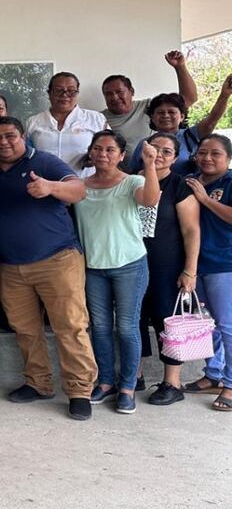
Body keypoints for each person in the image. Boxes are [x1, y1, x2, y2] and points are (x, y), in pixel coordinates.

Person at [0, 116, 97, 421]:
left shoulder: (45, 163)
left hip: (57, 260)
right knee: (25, 330)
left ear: (24, 137)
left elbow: (78, 190)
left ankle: (79, 390)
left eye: (11, 136)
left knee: (70, 326)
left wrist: (50, 187)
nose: (4, 142)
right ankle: (38, 383)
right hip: (10, 266)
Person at [75, 131, 159, 414]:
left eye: (111, 150)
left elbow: (149, 200)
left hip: (129, 266)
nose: (103, 154)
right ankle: (107, 381)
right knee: (99, 327)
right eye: (97, 148)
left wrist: (149, 164)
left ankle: (127, 387)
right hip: (93, 268)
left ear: (122, 155)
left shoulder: (132, 182)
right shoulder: (80, 185)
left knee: (126, 327)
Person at [136, 132, 200, 406]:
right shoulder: (131, 180)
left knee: (167, 320)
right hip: (133, 264)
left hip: (167, 265)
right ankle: (133, 374)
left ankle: (172, 382)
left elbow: (191, 230)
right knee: (133, 319)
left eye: (167, 151)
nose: (159, 155)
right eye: (154, 148)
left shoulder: (179, 186)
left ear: (175, 158)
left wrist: (190, 270)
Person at [182, 134, 232, 412]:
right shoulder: (190, 180)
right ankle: (213, 373)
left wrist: (204, 199)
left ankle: (231, 383)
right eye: (202, 153)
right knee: (206, 324)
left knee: (227, 325)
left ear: (227, 158)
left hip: (224, 263)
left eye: (215, 154)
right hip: (194, 264)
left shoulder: (229, 182)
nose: (207, 158)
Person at [127, 76, 232, 174]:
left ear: (182, 116)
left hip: (188, 191)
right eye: (160, 112)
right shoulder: (145, 144)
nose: (166, 116)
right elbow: (134, 173)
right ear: (152, 117)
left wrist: (224, 95)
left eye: (172, 112)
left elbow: (211, 120)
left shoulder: (191, 136)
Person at [102, 50, 199, 153]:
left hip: (163, 164)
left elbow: (189, 99)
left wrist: (180, 67)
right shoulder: (99, 119)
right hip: (130, 168)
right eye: (108, 94)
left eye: (119, 92)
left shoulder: (149, 106)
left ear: (132, 91)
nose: (114, 97)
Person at [26, 72, 108, 177]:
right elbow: (26, 154)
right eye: (58, 90)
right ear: (49, 93)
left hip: (85, 185)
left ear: (77, 93)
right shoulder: (33, 122)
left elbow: (111, 148)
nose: (64, 95)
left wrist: (95, 156)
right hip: (45, 186)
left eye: (71, 91)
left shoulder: (96, 119)